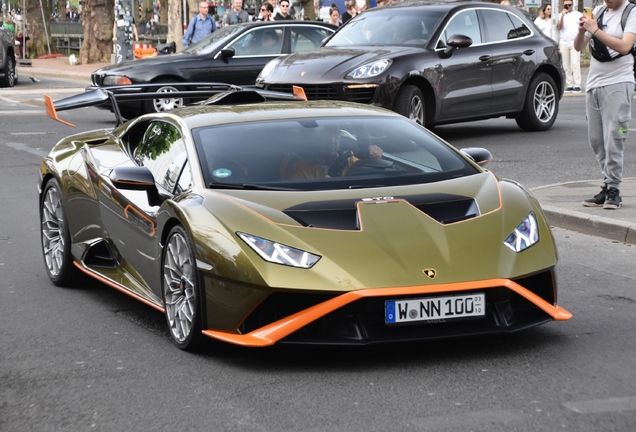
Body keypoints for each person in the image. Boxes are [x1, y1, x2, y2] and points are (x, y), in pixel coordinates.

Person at [575, 0, 636, 209]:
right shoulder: (599, 11)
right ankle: (607, 184)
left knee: (614, 137)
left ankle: (614, 190)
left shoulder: (631, 12)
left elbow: (625, 46)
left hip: (619, 82)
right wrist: (581, 30)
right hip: (593, 83)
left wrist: (596, 30)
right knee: (596, 140)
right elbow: (578, 46)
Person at [558, 0, 583, 92]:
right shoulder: (561, 15)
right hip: (564, 42)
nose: (567, 7)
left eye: (569, 5)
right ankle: (569, 84)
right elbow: (559, 27)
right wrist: (562, 16)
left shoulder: (578, 14)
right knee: (565, 65)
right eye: (565, 5)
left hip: (574, 42)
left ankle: (577, 84)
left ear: (573, 5)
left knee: (575, 64)